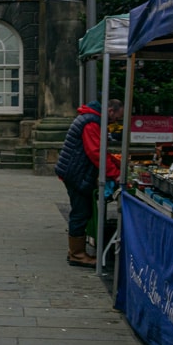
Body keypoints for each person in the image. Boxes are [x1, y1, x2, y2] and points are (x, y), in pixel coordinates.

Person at [54, 100, 121, 268]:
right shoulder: (91, 122)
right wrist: (116, 174)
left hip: (75, 170)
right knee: (81, 211)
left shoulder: (90, 118)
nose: (115, 122)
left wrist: (116, 164)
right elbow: (96, 152)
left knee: (82, 210)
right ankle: (76, 254)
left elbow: (99, 150)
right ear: (111, 111)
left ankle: (76, 252)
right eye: (116, 118)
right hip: (77, 172)